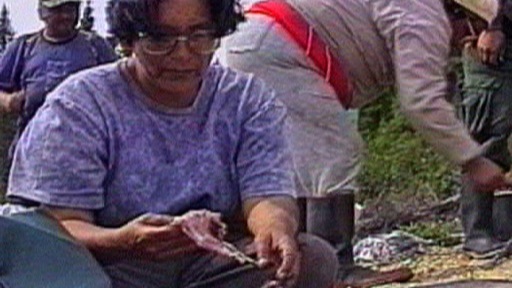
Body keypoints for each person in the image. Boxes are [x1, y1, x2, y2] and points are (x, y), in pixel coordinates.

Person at [5, 0, 339, 287]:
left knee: (313, 259)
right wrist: (125, 241)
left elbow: (266, 195)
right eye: (160, 38)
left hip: (210, 261)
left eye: (199, 36)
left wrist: (274, 232)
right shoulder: (79, 105)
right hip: (107, 268)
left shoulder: (246, 100)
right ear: (128, 41)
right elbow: (56, 229)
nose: (183, 54)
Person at [219, 0, 512, 286]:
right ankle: (338, 266)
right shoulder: (423, 17)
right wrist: (474, 161)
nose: (469, 39)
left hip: (263, 39)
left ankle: (295, 260)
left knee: (297, 163)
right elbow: (422, 102)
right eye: (472, 28)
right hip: (280, 45)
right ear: (462, 15)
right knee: (332, 153)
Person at [0, 0, 117, 182]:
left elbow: (120, 90)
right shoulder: (24, 47)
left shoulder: (95, 47)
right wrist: (8, 101)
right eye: (57, 10)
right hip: (32, 152)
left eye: (71, 9)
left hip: (86, 153)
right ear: (42, 13)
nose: (66, 16)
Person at [456, 0, 512, 258]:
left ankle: (502, 228)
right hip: (490, 38)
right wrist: (492, 24)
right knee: (487, 136)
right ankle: (479, 234)